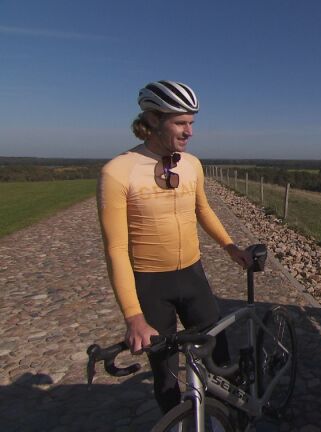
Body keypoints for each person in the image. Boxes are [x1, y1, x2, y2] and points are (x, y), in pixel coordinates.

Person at [97, 80, 251, 413]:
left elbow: (203, 209)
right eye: (181, 122)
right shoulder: (117, 172)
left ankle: (228, 419)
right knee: (165, 374)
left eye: (192, 122)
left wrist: (230, 247)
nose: (190, 131)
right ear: (152, 119)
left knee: (219, 356)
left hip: (192, 275)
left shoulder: (192, 164)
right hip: (151, 284)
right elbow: (115, 251)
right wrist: (133, 317)